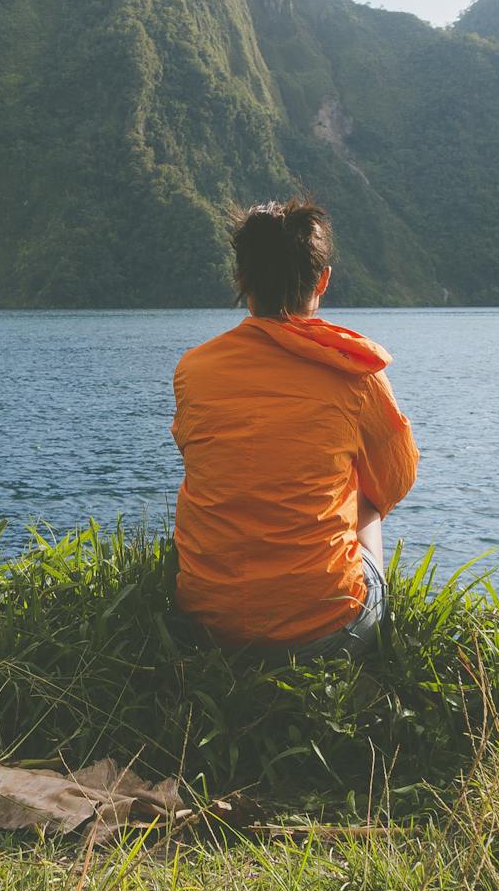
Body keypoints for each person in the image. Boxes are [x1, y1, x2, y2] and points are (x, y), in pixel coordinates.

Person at [171, 198, 418, 657]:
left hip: (206, 627)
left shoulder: (194, 370)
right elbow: (395, 480)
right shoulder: (355, 373)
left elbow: (194, 452)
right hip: (324, 634)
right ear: (322, 280)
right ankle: (371, 640)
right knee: (367, 494)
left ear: (242, 278)